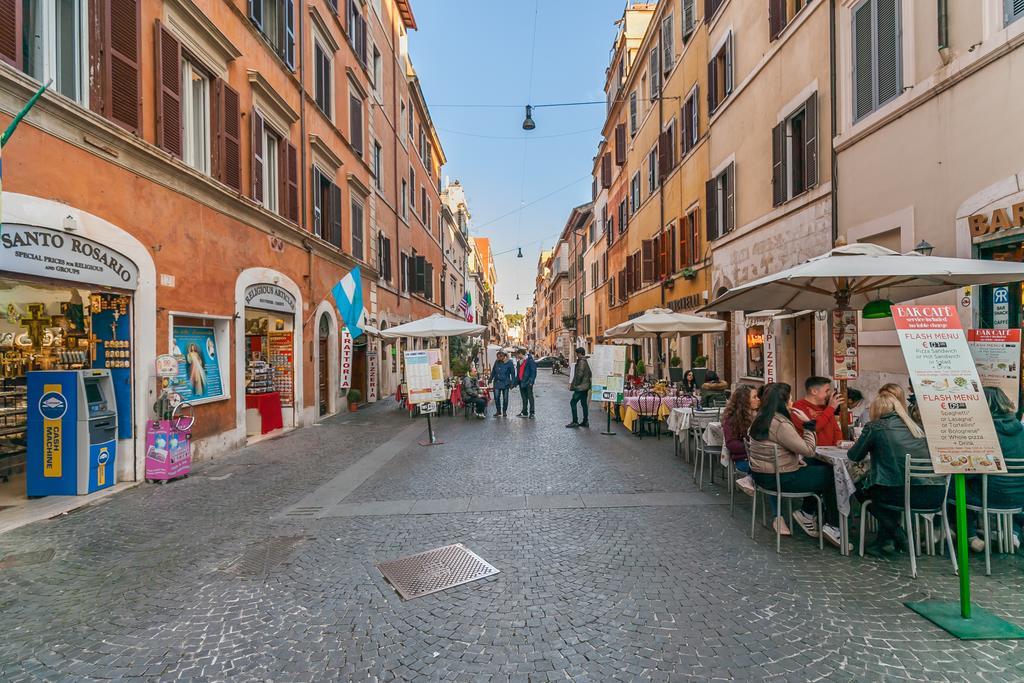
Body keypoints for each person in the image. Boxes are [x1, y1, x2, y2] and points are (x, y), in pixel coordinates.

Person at [747, 383, 843, 547]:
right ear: (783, 401)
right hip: (781, 478)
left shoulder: (760, 418)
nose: (793, 401)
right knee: (832, 474)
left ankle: (808, 512)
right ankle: (832, 525)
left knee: (815, 466)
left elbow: (773, 448)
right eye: (790, 398)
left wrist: (791, 458)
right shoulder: (780, 424)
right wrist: (808, 425)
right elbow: (809, 450)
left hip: (762, 475)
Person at [848, 390, 943, 556]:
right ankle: (884, 541)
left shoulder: (875, 427)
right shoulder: (917, 427)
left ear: (875, 410)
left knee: (860, 487)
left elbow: (854, 456)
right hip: (934, 493)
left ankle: (898, 533)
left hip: (901, 493)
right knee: (886, 488)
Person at [959, 387, 1024, 552]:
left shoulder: (984, 433)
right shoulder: (1021, 429)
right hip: (1019, 497)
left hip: (990, 496)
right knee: (1011, 487)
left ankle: (970, 536)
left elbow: (971, 472)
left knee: (955, 487)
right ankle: (1014, 533)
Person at [721, 384, 760, 501]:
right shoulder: (732, 419)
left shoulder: (760, 415)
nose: (758, 399)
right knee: (769, 470)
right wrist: (753, 447)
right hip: (743, 460)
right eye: (754, 397)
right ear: (744, 401)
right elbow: (731, 444)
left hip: (761, 457)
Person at [790, 376, 844, 447]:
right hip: (810, 454)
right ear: (814, 391)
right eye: (826, 391)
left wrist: (839, 443)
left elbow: (836, 430)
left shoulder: (826, 408)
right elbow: (813, 427)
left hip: (829, 453)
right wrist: (831, 408)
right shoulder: (798, 407)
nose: (829, 394)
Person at [566, 347, 592, 428]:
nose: (576, 355)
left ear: (580, 353)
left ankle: (575, 421)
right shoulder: (585, 361)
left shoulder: (581, 362)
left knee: (573, 402)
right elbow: (590, 373)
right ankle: (585, 421)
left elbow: (579, 375)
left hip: (580, 387)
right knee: (584, 403)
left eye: (577, 353)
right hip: (585, 386)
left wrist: (575, 385)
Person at [490, 351, 516, 417]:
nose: (497, 358)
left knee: (505, 398)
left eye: (499, 357)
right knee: (496, 397)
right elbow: (493, 371)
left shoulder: (509, 363)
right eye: (497, 357)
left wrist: (513, 383)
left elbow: (513, 374)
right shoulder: (497, 362)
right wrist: (490, 379)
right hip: (497, 382)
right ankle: (498, 411)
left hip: (506, 383)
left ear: (503, 356)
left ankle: (504, 411)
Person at [515, 348, 537, 418]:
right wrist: (515, 382)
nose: (517, 356)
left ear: (521, 353)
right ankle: (524, 412)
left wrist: (531, 381)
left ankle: (532, 412)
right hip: (521, 382)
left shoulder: (530, 360)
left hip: (528, 382)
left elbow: (533, 371)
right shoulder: (519, 362)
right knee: (524, 398)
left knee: (530, 397)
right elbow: (518, 373)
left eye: (518, 354)